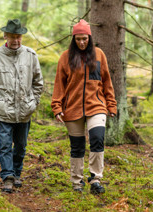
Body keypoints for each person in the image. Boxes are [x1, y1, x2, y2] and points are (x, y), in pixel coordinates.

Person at [51, 19, 117, 194]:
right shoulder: (65, 57)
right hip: (72, 108)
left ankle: (95, 179)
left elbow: (107, 81)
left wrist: (111, 105)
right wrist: (57, 107)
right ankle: (77, 182)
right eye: (78, 39)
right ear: (73, 39)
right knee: (77, 146)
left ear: (90, 38)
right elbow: (59, 84)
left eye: (84, 39)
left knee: (97, 138)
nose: (81, 42)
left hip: (96, 105)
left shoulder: (99, 54)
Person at [0, 19, 44, 193]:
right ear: (5, 36)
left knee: (21, 146)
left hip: (24, 111)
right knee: (5, 145)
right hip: (3, 110)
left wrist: (33, 102)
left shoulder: (31, 55)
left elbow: (38, 83)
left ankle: (17, 173)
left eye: (19, 37)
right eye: (12, 36)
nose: (16, 40)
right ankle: (7, 176)